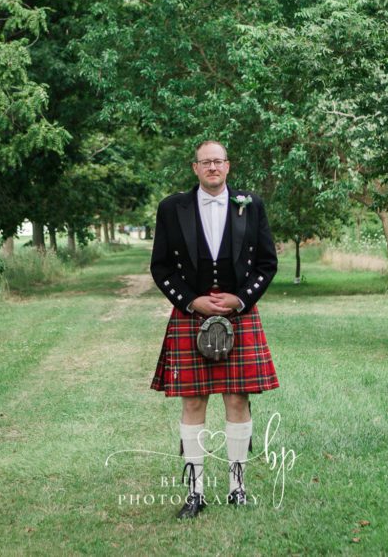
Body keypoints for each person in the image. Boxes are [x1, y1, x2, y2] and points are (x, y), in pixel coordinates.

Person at [149, 139, 279, 519]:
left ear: (228, 165)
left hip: (239, 314)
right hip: (191, 315)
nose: (212, 167)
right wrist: (192, 301)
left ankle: (238, 488)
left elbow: (267, 263)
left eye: (218, 161)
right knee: (193, 402)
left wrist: (241, 299)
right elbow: (161, 267)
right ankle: (196, 493)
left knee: (238, 400)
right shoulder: (171, 208)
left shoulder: (251, 205)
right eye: (205, 162)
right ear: (195, 168)